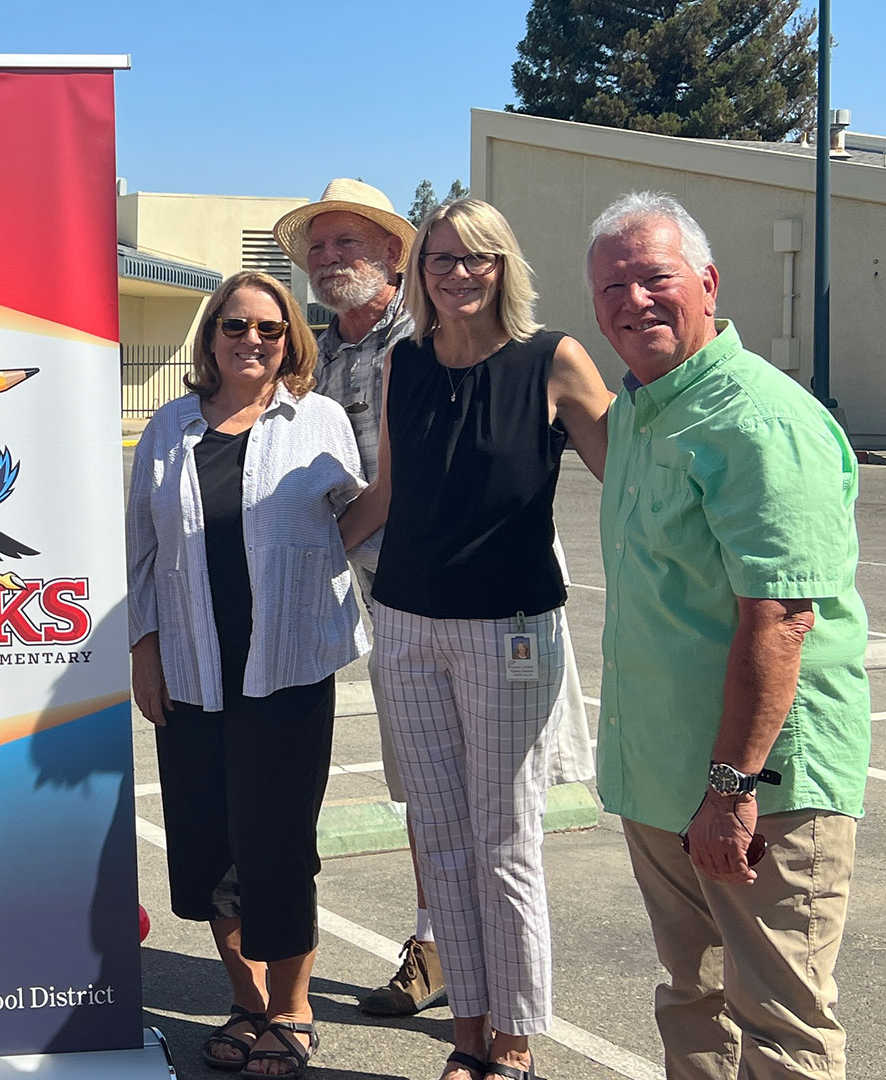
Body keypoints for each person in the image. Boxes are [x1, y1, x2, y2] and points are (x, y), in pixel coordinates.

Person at [587, 192, 869, 1080]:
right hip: (664, 781)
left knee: (782, 1023)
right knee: (692, 996)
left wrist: (728, 789)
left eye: (655, 278)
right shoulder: (640, 410)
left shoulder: (759, 419)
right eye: (612, 286)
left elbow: (779, 620)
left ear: (707, 284)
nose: (633, 301)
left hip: (759, 793)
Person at [337, 198, 611, 1080]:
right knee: (442, 838)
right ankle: (468, 1034)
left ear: (504, 266)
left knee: (506, 841)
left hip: (512, 632)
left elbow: (632, 475)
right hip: (408, 626)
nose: (457, 273)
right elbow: (383, 496)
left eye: (476, 258)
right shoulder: (404, 362)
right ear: (420, 273)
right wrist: (288, 559)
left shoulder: (552, 360)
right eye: (441, 259)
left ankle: (516, 1042)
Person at [127, 271, 367, 1077]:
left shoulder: (319, 420)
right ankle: (248, 999)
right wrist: (144, 650)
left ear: (291, 337)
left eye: (269, 328)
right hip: (193, 671)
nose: (251, 341)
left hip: (288, 672)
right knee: (206, 847)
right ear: (211, 335)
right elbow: (141, 552)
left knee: (277, 846)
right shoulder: (168, 429)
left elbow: (359, 520)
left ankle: (292, 1009)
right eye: (235, 326)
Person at [274, 179, 445, 1017]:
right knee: (418, 771)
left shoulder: (430, 339)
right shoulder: (312, 352)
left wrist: (311, 557)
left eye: (348, 243)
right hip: (365, 586)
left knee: (470, 779)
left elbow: (393, 488)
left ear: (391, 254)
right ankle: (440, 936)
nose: (328, 259)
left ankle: (466, 954)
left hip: (444, 587)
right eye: (318, 246)